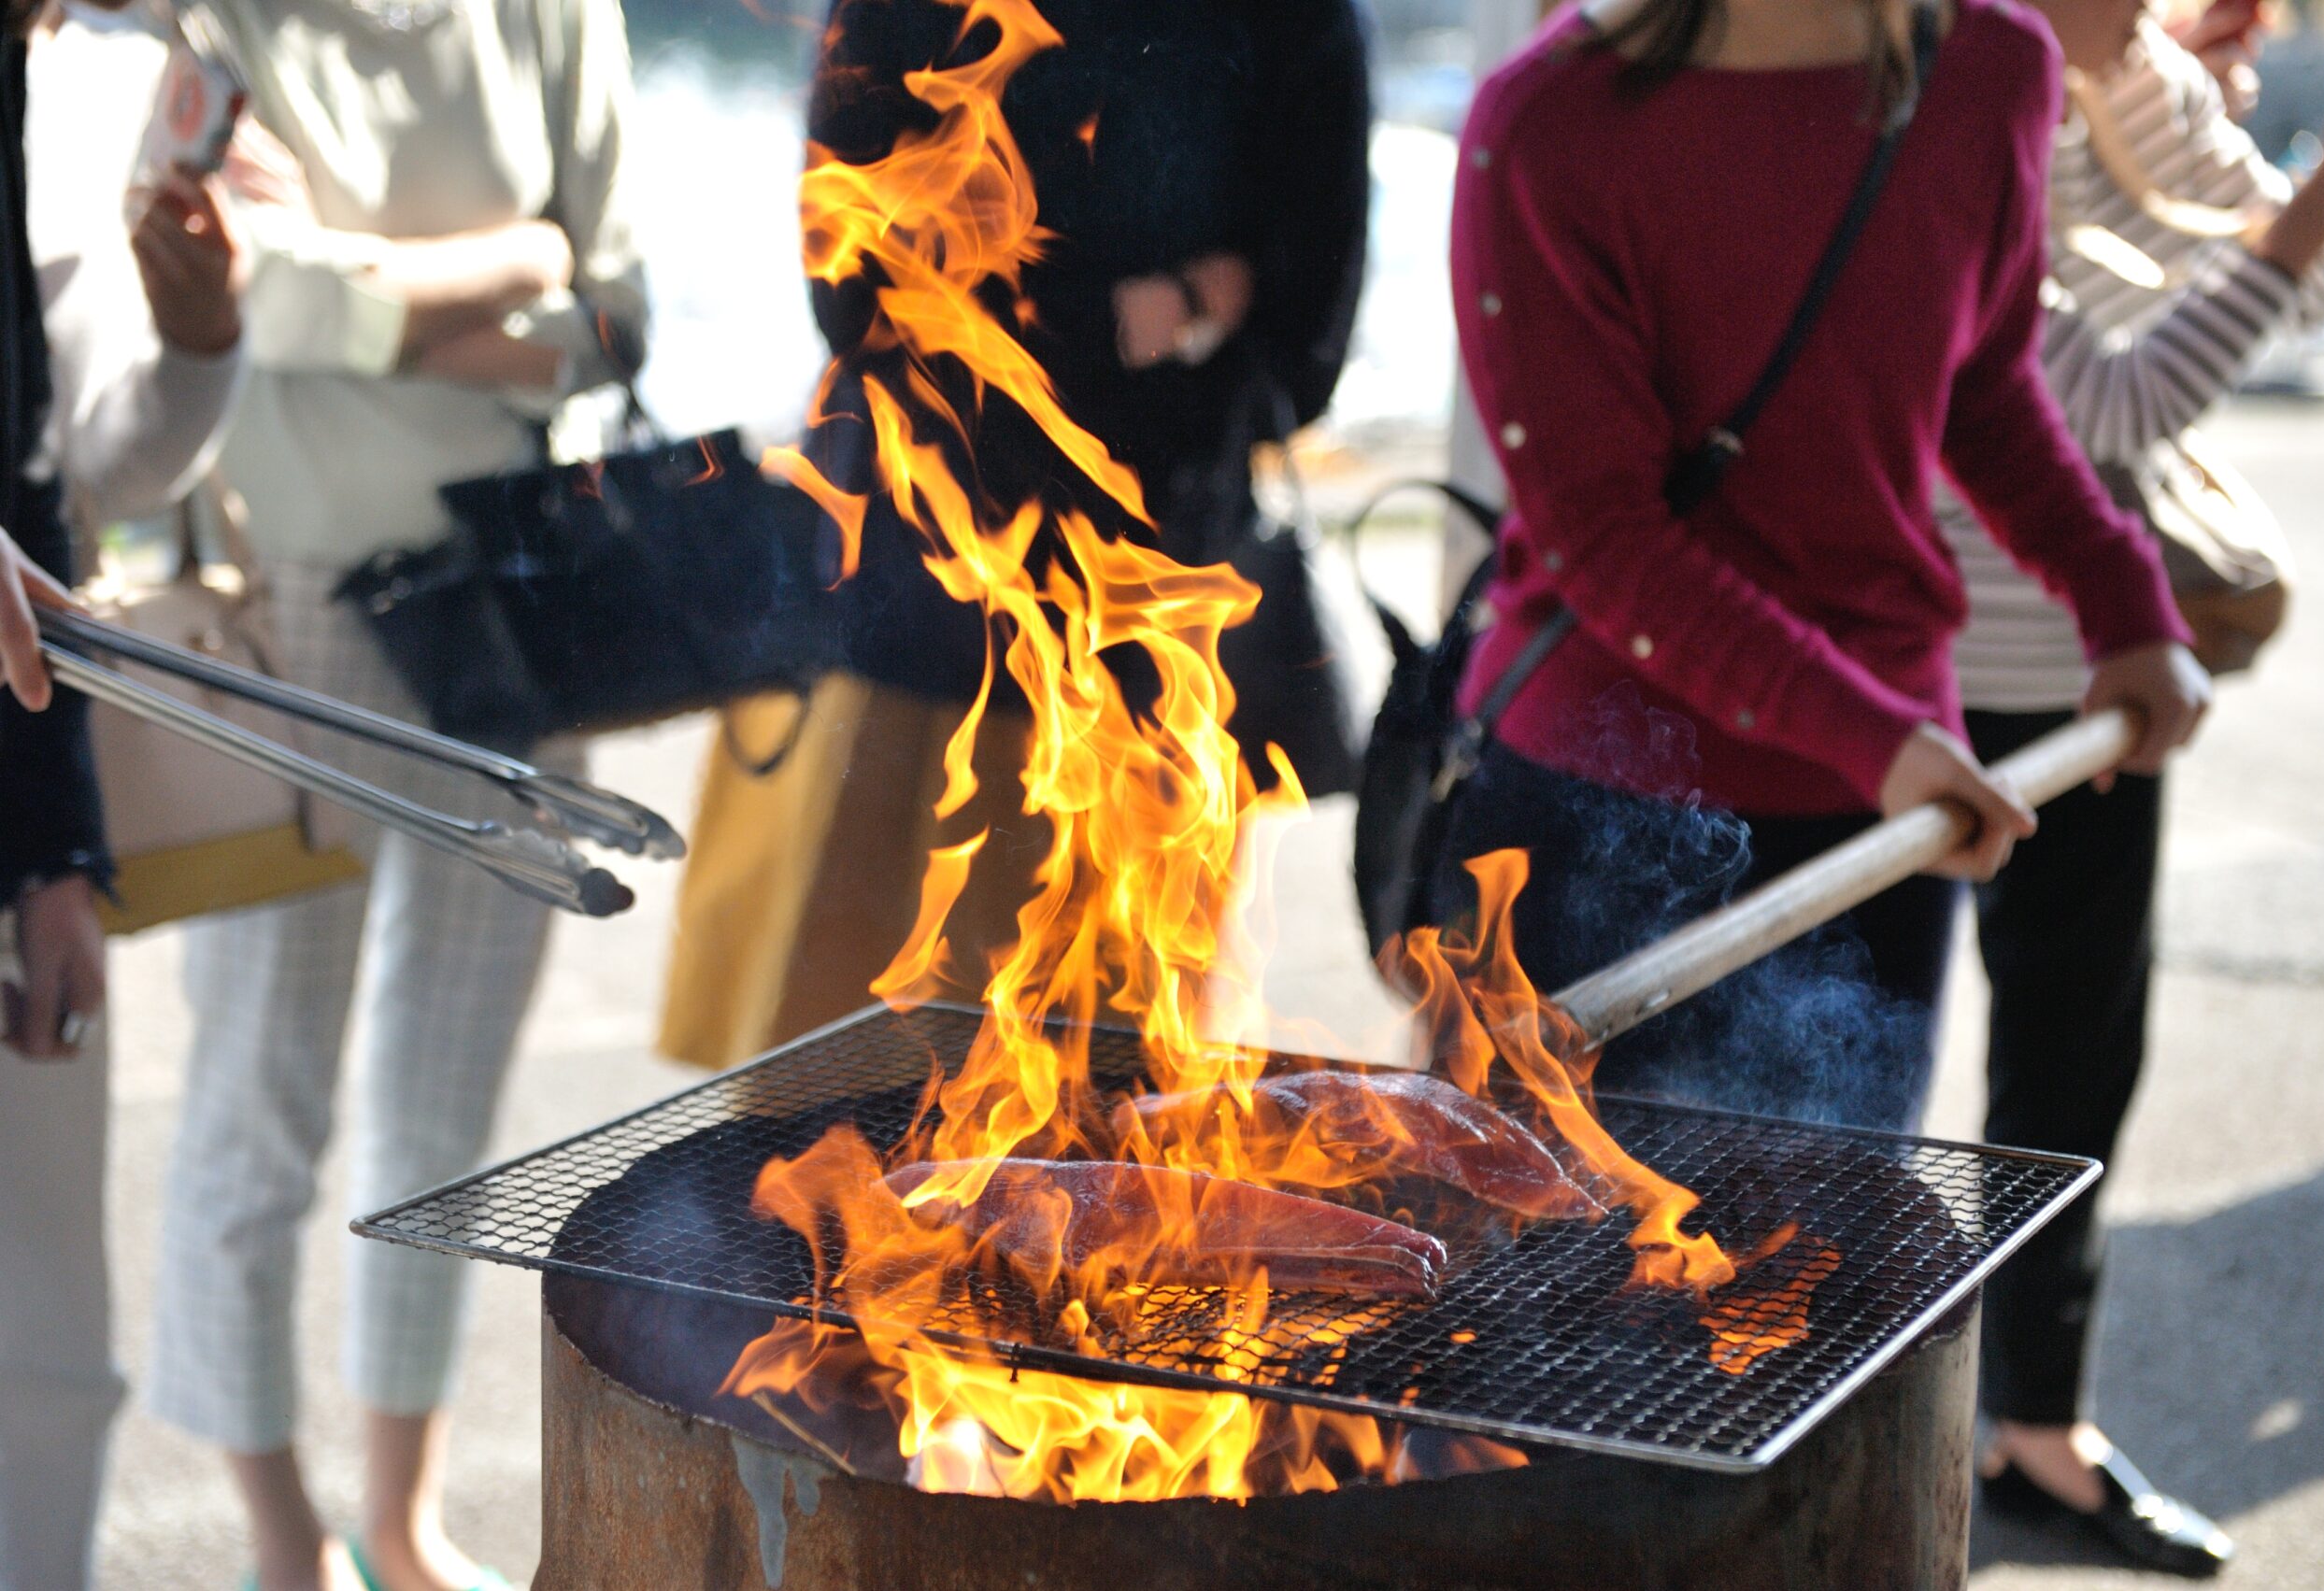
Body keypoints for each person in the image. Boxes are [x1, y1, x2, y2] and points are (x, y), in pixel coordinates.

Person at [1430, 0, 2210, 1133]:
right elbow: (1602, 534)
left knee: (1827, 1285)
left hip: (1881, 814)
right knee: (1540, 1289)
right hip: (1601, 807)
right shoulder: (1548, 120)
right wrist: (1874, 736)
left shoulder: (1991, 65)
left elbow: (1980, 381)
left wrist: (2123, 603)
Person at [140, 3, 646, 1588]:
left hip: (518, 594)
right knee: (259, 1103)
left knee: (443, 1111)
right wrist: (512, 267)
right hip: (288, 604)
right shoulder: (196, 18)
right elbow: (249, 299)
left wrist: (361, 296)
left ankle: (406, 1528)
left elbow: (620, 305)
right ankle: (284, 1548)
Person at [658, 0, 1372, 1066]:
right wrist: (1156, 307)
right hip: (910, 595)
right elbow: (849, 291)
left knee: (1092, 1125)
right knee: (826, 1105)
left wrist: (999, 293)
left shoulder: (1292, 20)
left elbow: (1305, 340)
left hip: (1129, 623)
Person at [1943, 0, 2324, 1572]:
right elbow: (2103, 402)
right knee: (1847, 1075)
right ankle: (1828, 1431)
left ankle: (2033, 1427)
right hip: (1929, 651)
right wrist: (2322, 216)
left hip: (2089, 653)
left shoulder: (2132, 76)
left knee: (2073, 1058)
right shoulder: (1951, 83)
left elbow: (2265, 271)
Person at [0, 7, 250, 1587]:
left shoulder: (82, 76)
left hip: (21, 777)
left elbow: (70, 470)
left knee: (48, 1349)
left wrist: (206, 334)